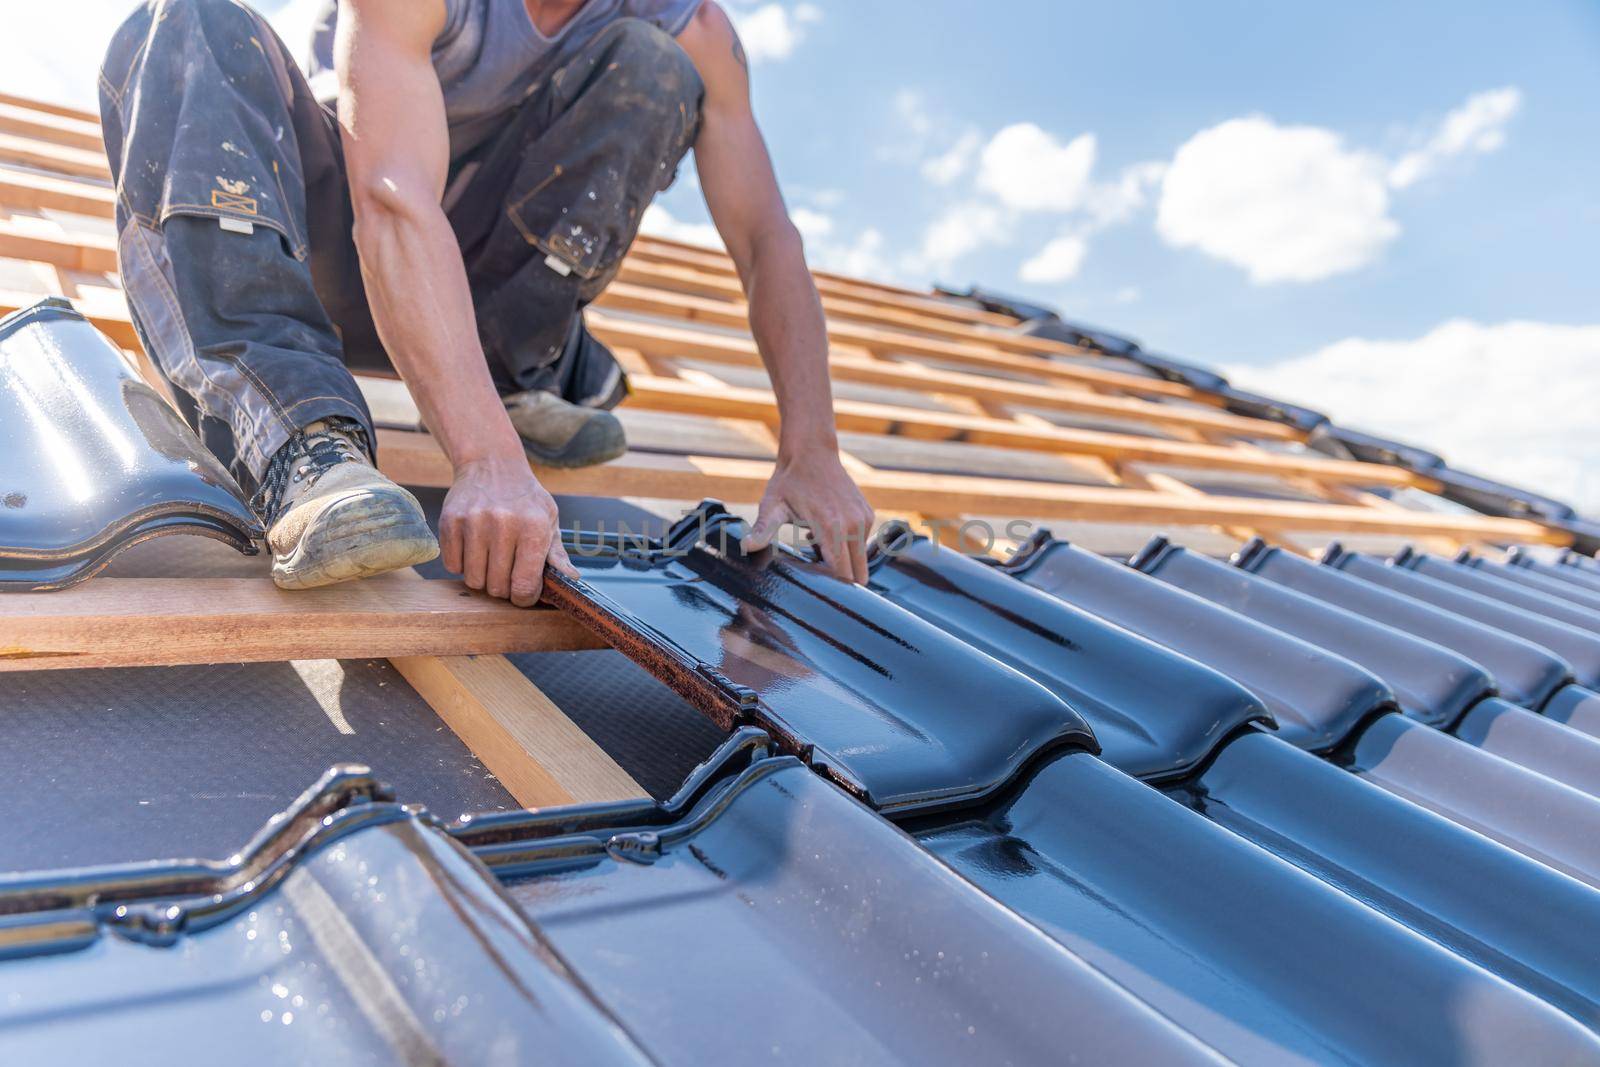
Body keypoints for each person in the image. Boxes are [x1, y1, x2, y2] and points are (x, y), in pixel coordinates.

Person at [98, 0, 873, 605]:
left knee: (655, 69)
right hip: (328, 256)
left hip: (474, 291)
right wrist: (488, 459)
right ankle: (298, 438)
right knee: (191, 21)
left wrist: (813, 450)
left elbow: (769, 241)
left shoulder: (691, 26)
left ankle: (508, 373)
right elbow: (391, 198)